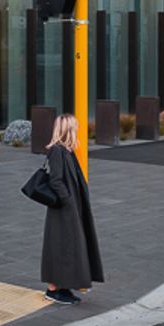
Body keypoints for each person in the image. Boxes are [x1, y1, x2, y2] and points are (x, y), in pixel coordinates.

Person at [36, 114, 103, 305]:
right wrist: (68, 201)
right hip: (63, 210)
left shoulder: (66, 151)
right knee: (60, 247)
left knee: (66, 247)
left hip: (68, 208)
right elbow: (55, 180)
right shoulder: (58, 151)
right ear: (67, 130)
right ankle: (53, 289)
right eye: (75, 127)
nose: (78, 130)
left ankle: (61, 286)